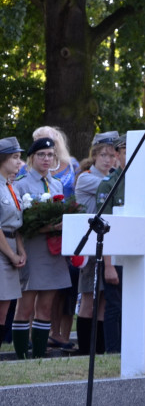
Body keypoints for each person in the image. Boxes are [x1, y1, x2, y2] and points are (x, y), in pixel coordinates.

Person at [11, 138, 71, 358]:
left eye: (50, 155)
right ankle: (21, 356)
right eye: (41, 155)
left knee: (45, 307)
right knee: (25, 307)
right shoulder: (21, 184)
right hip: (33, 248)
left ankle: (38, 355)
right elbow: (19, 223)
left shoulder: (56, 184)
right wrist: (48, 226)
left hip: (53, 250)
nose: (46, 159)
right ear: (32, 158)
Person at [74, 131, 121, 354]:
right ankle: (85, 350)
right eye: (103, 154)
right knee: (89, 300)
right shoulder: (86, 178)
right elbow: (113, 187)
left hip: (108, 245)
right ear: (94, 156)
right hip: (91, 246)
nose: (107, 160)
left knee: (103, 301)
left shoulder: (113, 176)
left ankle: (99, 350)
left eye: (112, 155)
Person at [95, 134, 127, 353]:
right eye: (126, 152)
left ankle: (130, 348)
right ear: (117, 154)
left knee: (133, 307)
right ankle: (113, 351)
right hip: (115, 257)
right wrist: (108, 264)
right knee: (115, 306)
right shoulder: (109, 184)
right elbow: (103, 227)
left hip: (137, 257)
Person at [0, 137, 27, 352]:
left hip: (11, 247)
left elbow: (17, 223)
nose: (19, 162)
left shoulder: (12, 187)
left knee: (6, 305)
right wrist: (10, 254)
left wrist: (21, 249)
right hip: (2, 249)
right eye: (15, 157)